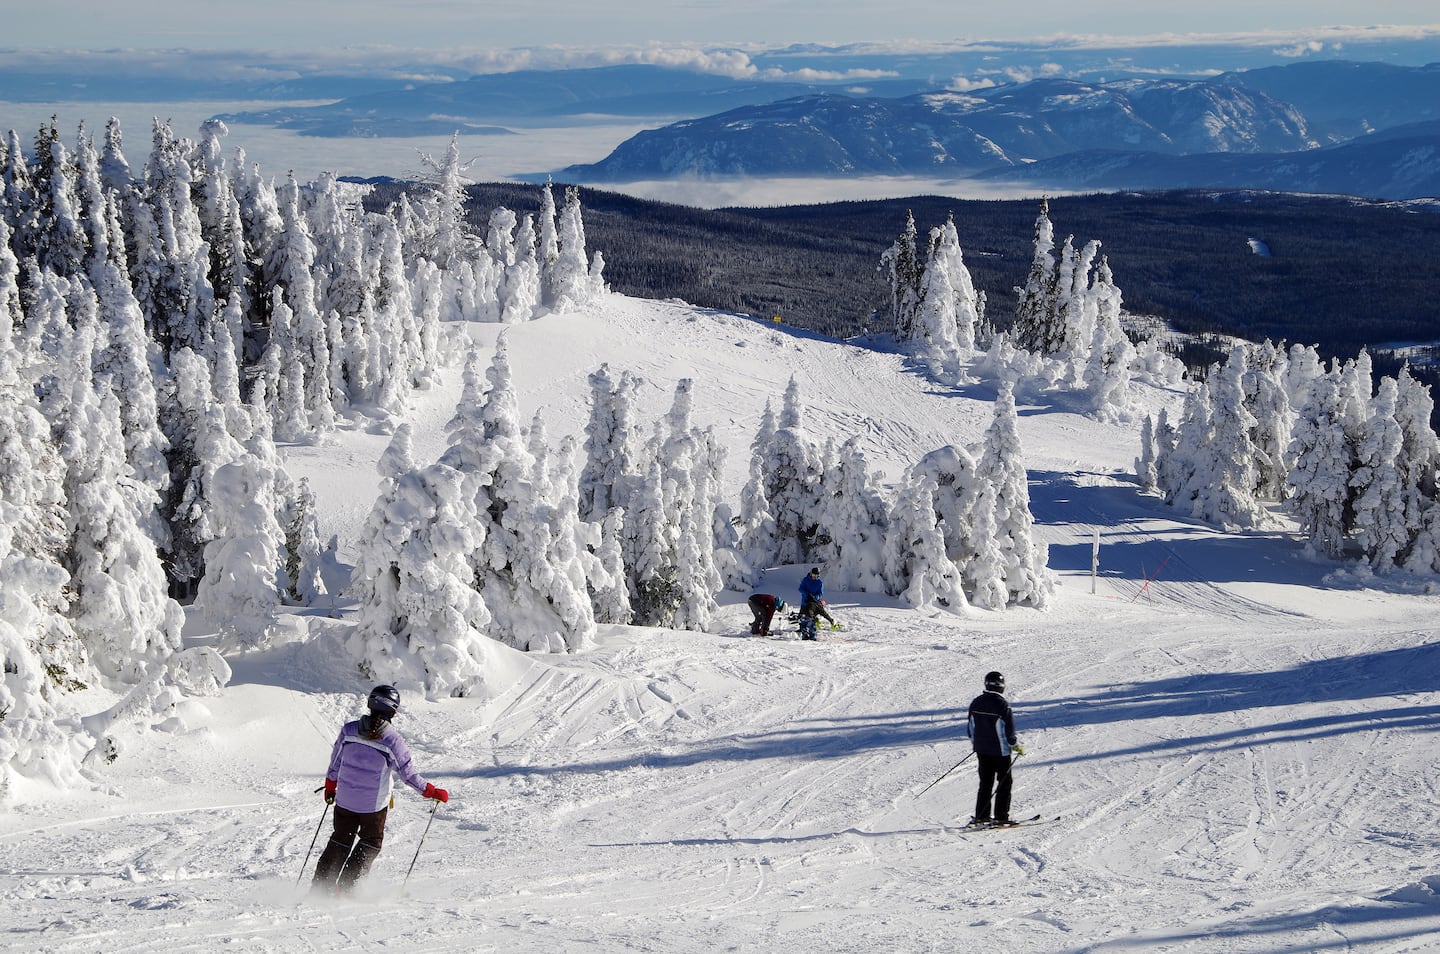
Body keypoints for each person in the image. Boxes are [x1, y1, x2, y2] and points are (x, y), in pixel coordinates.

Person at [312, 684, 449, 894]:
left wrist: (331, 786)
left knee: (340, 839)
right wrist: (431, 791)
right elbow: (408, 775)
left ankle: (321, 888)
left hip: (345, 801)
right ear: (393, 711)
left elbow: (335, 762)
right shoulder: (392, 740)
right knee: (370, 842)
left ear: (370, 704)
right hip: (372, 807)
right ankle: (348, 889)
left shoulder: (349, 730)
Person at [966, 670, 1024, 826]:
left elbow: (971, 728)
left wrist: (977, 744)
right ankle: (1001, 816)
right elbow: (1009, 731)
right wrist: (1015, 746)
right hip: (1000, 752)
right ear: (1002, 687)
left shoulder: (976, 702)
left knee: (985, 783)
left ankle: (982, 816)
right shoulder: (1002, 705)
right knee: (1004, 783)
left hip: (982, 750)